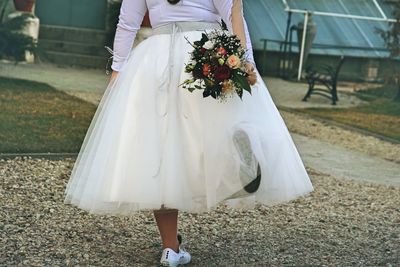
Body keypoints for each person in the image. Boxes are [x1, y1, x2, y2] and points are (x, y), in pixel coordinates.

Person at [64, 0, 314, 266]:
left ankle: (170, 249)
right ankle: (239, 162)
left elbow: (127, 22)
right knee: (217, 124)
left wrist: (118, 71)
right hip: (204, 55)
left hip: (155, 60)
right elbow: (233, 14)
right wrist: (246, 61)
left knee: (159, 154)